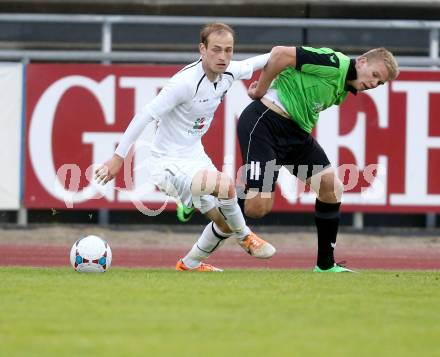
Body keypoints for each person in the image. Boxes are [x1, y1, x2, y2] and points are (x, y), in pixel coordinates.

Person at [94, 23, 276, 272]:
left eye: (228, 50)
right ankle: (245, 236)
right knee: (224, 185)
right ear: (202, 49)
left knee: (223, 224)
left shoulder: (230, 72)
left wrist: (299, 54)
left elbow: (266, 59)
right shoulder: (184, 83)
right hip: (167, 164)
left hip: (195, 157)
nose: (222, 56)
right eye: (216, 50)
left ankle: (189, 264)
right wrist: (118, 157)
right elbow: (145, 115)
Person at [237, 45, 399, 272]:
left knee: (331, 188)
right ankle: (209, 198)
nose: (373, 84)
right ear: (362, 61)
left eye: (379, 83)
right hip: (265, 123)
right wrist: (260, 90)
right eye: (374, 75)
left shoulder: (344, 87)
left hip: (295, 133)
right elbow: (280, 54)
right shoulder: (333, 63)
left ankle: (325, 264)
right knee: (257, 208)